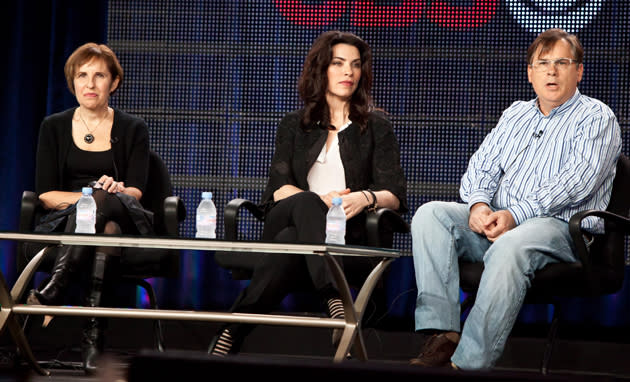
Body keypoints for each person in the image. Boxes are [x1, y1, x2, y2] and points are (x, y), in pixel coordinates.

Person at [409, 28, 622, 371]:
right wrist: (479, 205)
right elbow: (481, 166)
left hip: (559, 231)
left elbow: (577, 182)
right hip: (499, 222)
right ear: (530, 73)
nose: (551, 71)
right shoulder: (515, 114)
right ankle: (443, 334)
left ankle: (469, 365)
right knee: (431, 215)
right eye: (543, 63)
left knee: (514, 244)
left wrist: (514, 215)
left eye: (562, 63)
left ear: (579, 71)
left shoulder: (597, 117)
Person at [208, 30, 407, 356]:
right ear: (321, 69)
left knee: (291, 243)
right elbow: (277, 190)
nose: (348, 73)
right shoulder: (293, 125)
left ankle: (231, 331)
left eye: (355, 65)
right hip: (288, 216)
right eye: (339, 63)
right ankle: (335, 296)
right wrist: (316, 201)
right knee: (304, 204)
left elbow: (395, 195)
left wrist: (365, 198)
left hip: (343, 235)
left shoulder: (376, 128)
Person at [23, 42, 153, 374]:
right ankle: (92, 340)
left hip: (122, 211)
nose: (90, 84)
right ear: (72, 81)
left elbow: (136, 191)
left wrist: (115, 190)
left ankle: (55, 289)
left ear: (114, 82)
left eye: (99, 76)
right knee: (102, 224)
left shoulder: (133, 127)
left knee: (106, 204)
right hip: (66, 217)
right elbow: (47, 194)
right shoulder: (53, 126)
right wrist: (89, 196)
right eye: (82, 75)